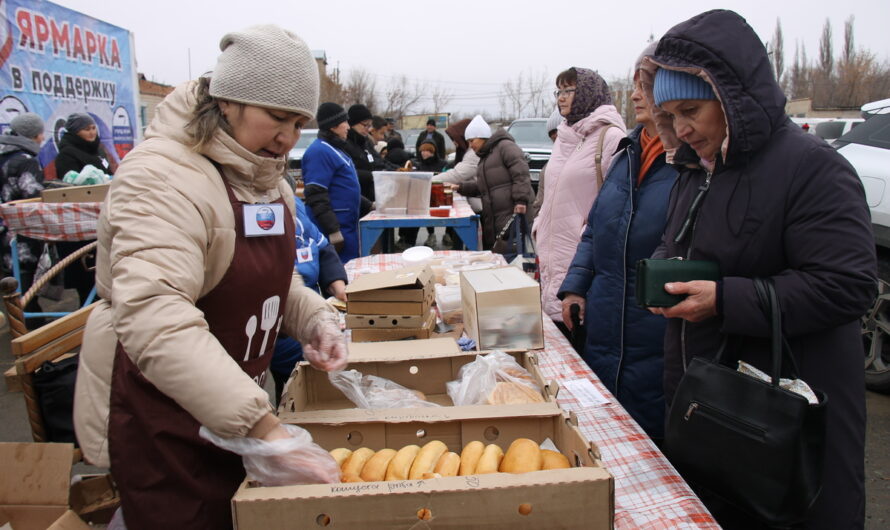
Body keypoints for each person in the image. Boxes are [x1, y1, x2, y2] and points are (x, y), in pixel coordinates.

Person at [72, 25, 347, 529]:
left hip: (235, 407)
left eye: (299, 122)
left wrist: (314, 319)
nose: (288, 138)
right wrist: (263, 427)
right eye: (277, 118)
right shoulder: (161, 177)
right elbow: (155, 316)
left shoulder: (264, 178)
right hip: (164, 418)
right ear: (227, 102)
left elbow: (266, 282)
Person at [642, 10, 876, 528]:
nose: (680, 128)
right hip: (714, 408)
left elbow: (848, 284)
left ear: (732, 96)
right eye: (669, 115)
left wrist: (724, 300)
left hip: (785, 419)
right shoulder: (694, 172)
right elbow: (675, 243)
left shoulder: (811, 167)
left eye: (691, 110)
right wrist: (664, 271)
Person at [558, 42, 677, 442]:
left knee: (651, 441)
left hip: (653, 332)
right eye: (634, 84)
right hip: (606, 321)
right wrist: (576, 284)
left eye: (647, 84)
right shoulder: (629, 151)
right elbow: (596, 226)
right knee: (603, 431)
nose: (636, 94)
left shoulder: (692, 163)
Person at [533, 67, 626, 336]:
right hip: (551, 253)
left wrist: (583, 232)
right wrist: (539, 224)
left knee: (582, 337)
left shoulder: (610, 137)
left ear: (588, 92)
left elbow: (618, 206)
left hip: (584, 257)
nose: (561, 98)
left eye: (569, 90)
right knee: (558, 341)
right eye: (558, 91)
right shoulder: (564, 138)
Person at [271, 196, 347, 405]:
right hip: (280, 327)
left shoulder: (292, 203)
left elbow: (323, 248)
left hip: (307, 306)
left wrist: (339, 287)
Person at [451, 115, 534, 251]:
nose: (471, 146)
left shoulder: (505, 147)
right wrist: (460, 187)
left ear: (482, 136)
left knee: (514, 255)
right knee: (503, 256)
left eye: (472, 141)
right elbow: (485, 187)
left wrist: (520, 201)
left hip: (511, 213)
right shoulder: (486, 157)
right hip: (498, 217)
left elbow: (521, 173)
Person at [302, 102, 365, 263]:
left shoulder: (335, 149)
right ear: (333, 126)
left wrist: (369, 204)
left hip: (347, 227)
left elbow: (343, 186)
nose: (348, 127)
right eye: (345, 122)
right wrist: (333, 230)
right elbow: (316, 194)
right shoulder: (319, 152)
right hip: (335, 229)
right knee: (338, 275)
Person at [0, 112, 46, 319]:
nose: (42, 138)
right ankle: (29, 323)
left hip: (3, 229)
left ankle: (21, 318)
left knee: (12, 277)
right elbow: (34, 196)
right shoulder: (26, 161)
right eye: (40, 133)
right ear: (33, 135)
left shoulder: (4, 156)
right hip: (21, 230)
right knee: (26, 278)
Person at [54, 113, 114, 179]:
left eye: (93, 128)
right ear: (75, 131)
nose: (92, 133)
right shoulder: (66, 155)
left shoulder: (98, 149)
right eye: (87, 129)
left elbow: (108, 172)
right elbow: (70, 181)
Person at [530, 109, 562, 219]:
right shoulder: (548, 167)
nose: (555, 136)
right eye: (551, 134)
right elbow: (540, 200)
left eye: (558, 132)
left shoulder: (582, 161)